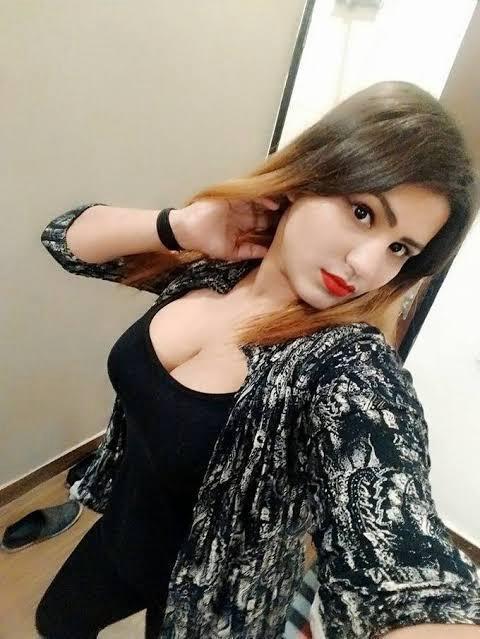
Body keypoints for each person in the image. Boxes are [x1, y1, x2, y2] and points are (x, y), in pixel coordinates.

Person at [36, 81, 480, 638]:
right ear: (308, 177)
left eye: (400, 249)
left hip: (223, 609)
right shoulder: (215, 270)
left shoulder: (344, 369)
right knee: (53, 623)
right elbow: (66, 239)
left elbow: (405, 562)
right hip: (119, 537)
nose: (368, 265)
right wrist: (181, 225)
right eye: (363, 212)